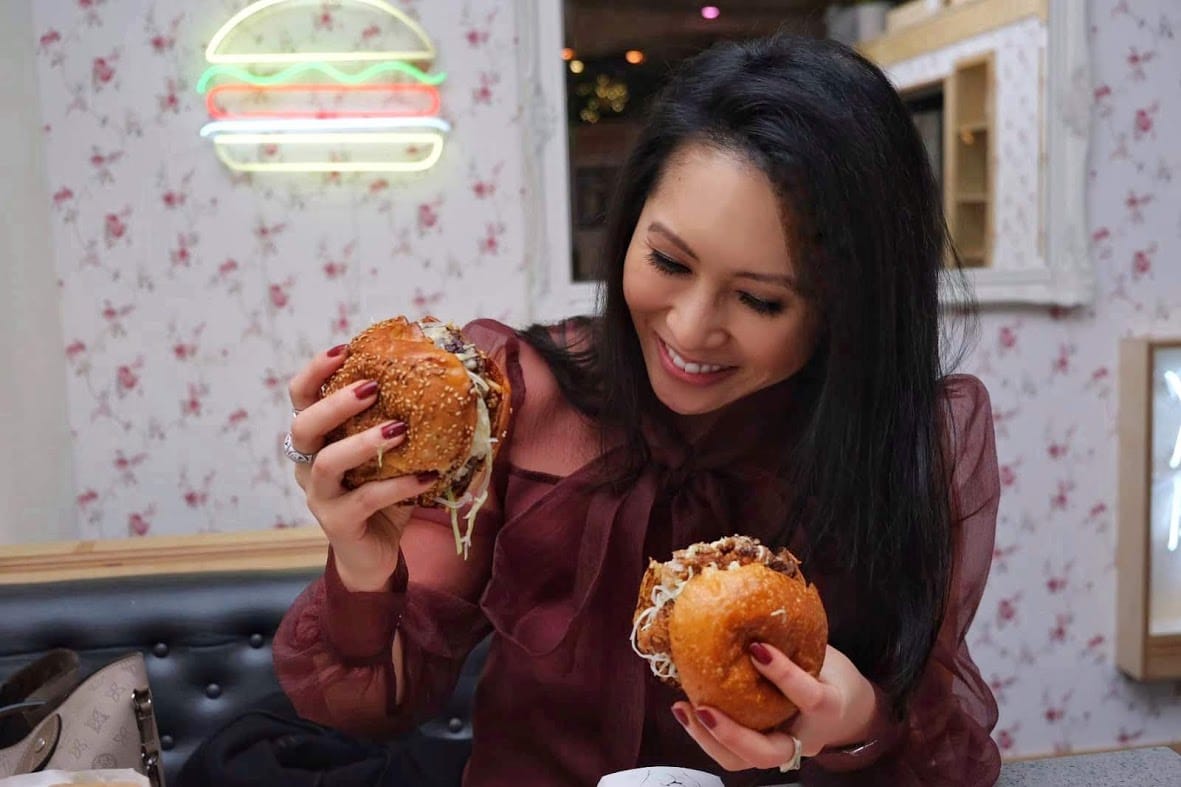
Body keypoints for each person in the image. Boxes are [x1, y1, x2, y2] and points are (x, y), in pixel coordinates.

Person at [273, 34, 1002, 786]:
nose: (688, 329)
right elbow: (374, 704)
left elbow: (938, 750)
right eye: (667, 262)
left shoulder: (908, 441)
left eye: (759, 299)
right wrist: (362, 559)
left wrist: (854, 723)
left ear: (848, 308)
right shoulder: (523, 399)